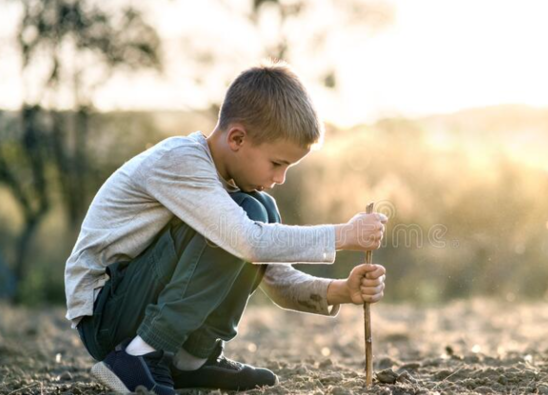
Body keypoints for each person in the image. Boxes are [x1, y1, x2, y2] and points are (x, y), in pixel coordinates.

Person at [64, 61, 388, 394]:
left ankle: (190, 361)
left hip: (135, 306)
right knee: (244, 217)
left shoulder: (239, 195)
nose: (280, 178)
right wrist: (343, 235)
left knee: (257, 208)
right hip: (107, 315)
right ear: (236, 138)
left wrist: (342, 291)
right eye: (277, 163)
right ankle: (139, 357)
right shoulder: (181, 161)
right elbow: (247, 240)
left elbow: (276, 278)